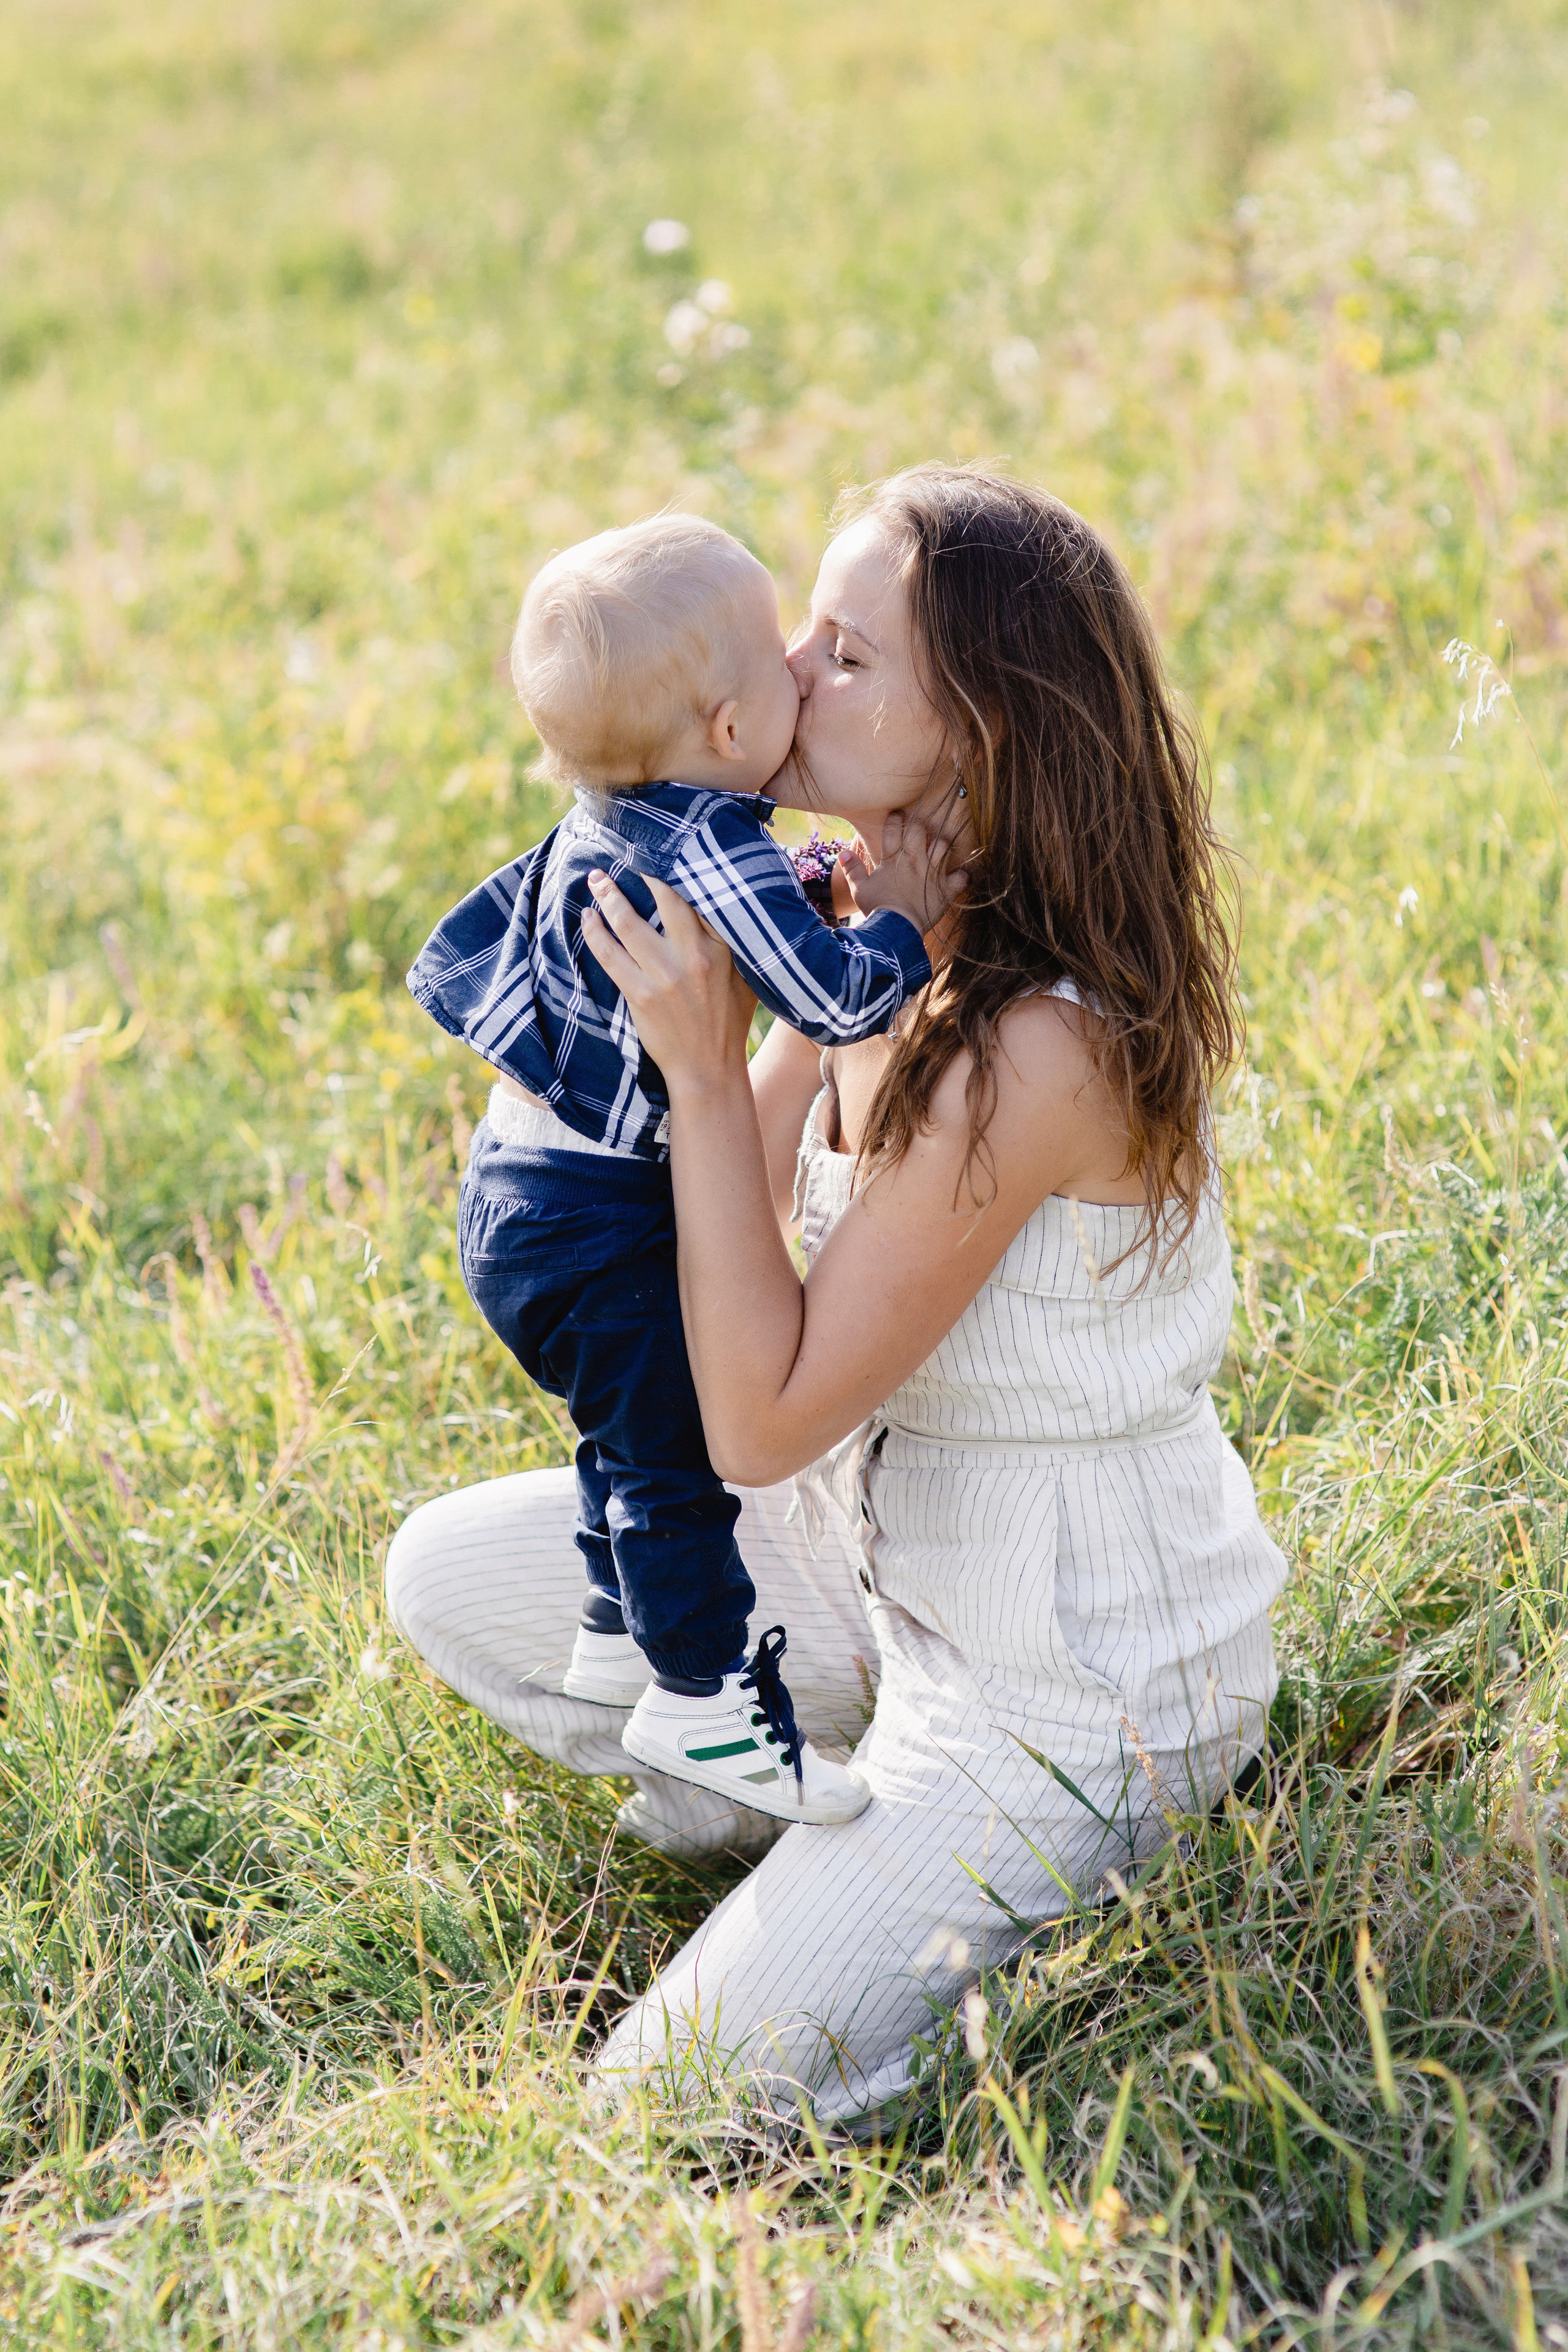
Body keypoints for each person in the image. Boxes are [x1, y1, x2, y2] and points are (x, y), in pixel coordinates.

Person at [386, 465, 1287, 2128]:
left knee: (659, 2106)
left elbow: (759, 1411)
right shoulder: (871, 929)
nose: (793, 672)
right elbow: (694, 1270)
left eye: (850, 656)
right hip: (889, 1577)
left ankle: (1047, 1895)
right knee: (445, 1575)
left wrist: (710, 1077)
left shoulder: (1037, 1050)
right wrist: (682, 1056)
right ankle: (830, 1829)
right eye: (806, 630)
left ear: (987, 737)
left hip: (1076, 1671)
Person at [405, 512, 959, 1830]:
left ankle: (614, 1618)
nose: (806, 669)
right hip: (593, 1214)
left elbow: (753, 900)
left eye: (842, 652)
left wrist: (813, 888)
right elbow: (828, 1002)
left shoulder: (623, 814)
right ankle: (707, 1698)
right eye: (790, 655)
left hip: (518, 1199)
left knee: (626, 1414)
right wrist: (904, 930)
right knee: (667, 1450)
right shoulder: (712, 840)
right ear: (727, 734)